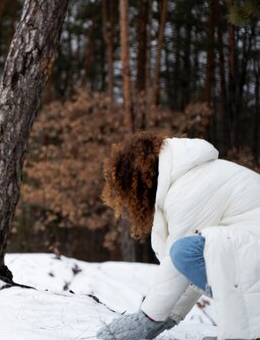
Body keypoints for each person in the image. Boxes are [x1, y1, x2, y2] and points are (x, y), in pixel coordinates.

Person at [97, 132, 260, 340]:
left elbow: (178, 262)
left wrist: (146, 321)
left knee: (185, 251)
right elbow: (193, 270)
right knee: (196, 253)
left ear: (141, 180)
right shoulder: (192, 176)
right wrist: (168, 317)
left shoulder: (190, 187)